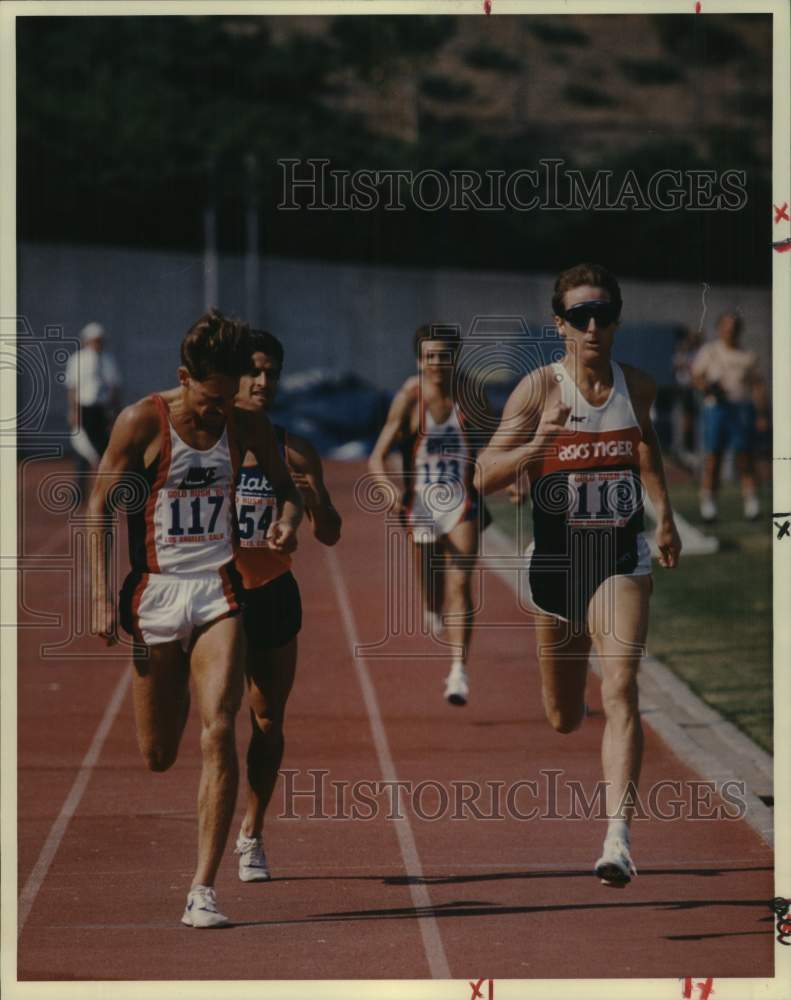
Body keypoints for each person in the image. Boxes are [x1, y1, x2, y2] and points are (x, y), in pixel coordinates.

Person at [88, 310, 303, 927]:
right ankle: (173, 686)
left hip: (217, 591)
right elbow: (97, 502)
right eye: (209, 400)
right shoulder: (141, 421)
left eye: (226, 400)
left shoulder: (246, 423)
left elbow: (286, 487)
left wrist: (287, 519)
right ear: (185, 378)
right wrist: (102, 596)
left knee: (221, 727)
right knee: (157, 753)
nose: (217, 413)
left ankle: (203, 889)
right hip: (155, 593)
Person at [474, 263, 682, 885]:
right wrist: (536, 450)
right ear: (560, 324)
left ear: (616, 318)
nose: (594, 326)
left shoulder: (637, 385)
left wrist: (664, 514)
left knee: (620, 688)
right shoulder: (538, 390)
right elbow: (483, 473)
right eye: (580, 316)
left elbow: (645, 443)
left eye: (604, 313)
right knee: (564, 715)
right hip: (557, 565)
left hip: (620, 557)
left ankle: (617, 839)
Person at [232, 329, 341, 882]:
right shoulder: (205, 443)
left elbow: (331, 536)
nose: (263, 381)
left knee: (267, 719)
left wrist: (314, 500)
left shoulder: (294, 448)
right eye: (253, 370)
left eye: (272, 371)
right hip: (217, 594)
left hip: (272, 593)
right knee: (212, 718)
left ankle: (251, 832)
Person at [368, 324, 492, 706]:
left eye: (444, 355)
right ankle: (429, 606)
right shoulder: (409, 397)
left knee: (460, 584)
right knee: (432, 588)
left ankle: (458, 671)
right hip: (421, 502)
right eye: (429, 356)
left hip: (462, 502)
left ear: (455, 358)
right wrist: (387, 484)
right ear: (419, 360)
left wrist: (508, 474)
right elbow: (377, 455)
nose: (437, 363)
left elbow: (497, 441)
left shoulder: (470, 395)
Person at [690, 311, 769, 522]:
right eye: (725, 327)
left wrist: (762, 414)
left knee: (744, 457)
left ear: (739, 330)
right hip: (716, 409)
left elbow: (758, 384)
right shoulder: (710, 351)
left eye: (733, 327)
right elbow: (696, 375)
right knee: (713, 458)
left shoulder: (747, 355)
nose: (729, 331)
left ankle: (751, 504)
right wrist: (707, 387)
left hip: (741, 407)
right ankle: (709, 505)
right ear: (719, 329)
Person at [64, 322, 122, 503]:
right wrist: (74, 412)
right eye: (94, 340)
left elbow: (114, 388)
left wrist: (113, 412)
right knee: (82, 451)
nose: (98, 344)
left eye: (100, 340)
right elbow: (72, 388)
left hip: (101, 411)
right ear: (86, 341)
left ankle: (108, 492)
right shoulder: (77, 360)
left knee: (106, 453)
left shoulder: (108, 360)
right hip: (84, 409)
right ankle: (80, 494)